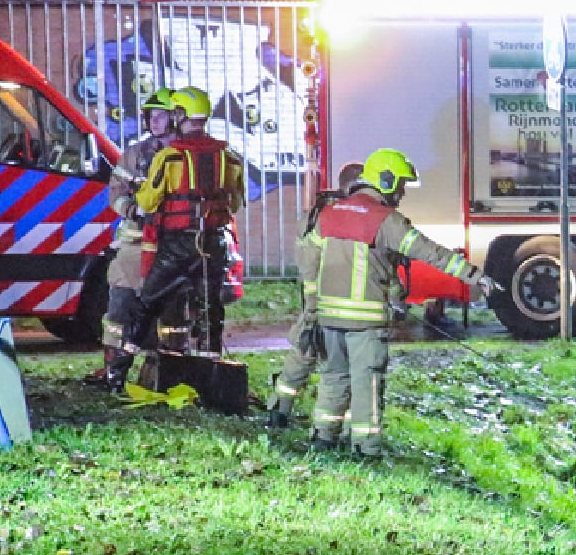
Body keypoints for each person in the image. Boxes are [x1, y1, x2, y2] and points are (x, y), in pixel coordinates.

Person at [309, 148, 493, 456]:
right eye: (401, 185)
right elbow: (431, 252)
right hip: (365, 322)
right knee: (367, 384)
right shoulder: (386, 220)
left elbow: (312, 260)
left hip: (328, 318)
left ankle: (323, 439)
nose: (402, 193)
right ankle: (365, 449)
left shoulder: (329, 213)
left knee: (333, 379)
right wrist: (474, 275)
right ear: (386, 180)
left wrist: (311, 308)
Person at [120, 86, 243, 358]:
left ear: (179, 115)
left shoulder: (169, 157)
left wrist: (140, 192)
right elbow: (234, 204)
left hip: (177, 246)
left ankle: (120, 366)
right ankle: (211, 366)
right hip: (214, 245)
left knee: (148, 302)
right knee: (211, 310)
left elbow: (147, 203)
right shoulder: (229, 156)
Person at [95, 87, 179, 391]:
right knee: (120, 308)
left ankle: (166, 374)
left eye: (161, 115)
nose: (154, 121)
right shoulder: (135, 155)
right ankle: (113, 371)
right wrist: (133, 210)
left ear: (176, 118)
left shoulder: (187, 156)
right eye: (150, 116)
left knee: (172, 317)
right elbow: (115, 194)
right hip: (135, 245)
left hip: (174, 247)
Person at [266, 161, 359, 431]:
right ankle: (333, 429)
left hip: (317, 298)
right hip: (332, 299)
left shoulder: (319, 212)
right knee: (338, 365)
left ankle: (279, 409)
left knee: (303, 354)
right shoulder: (340, 215)